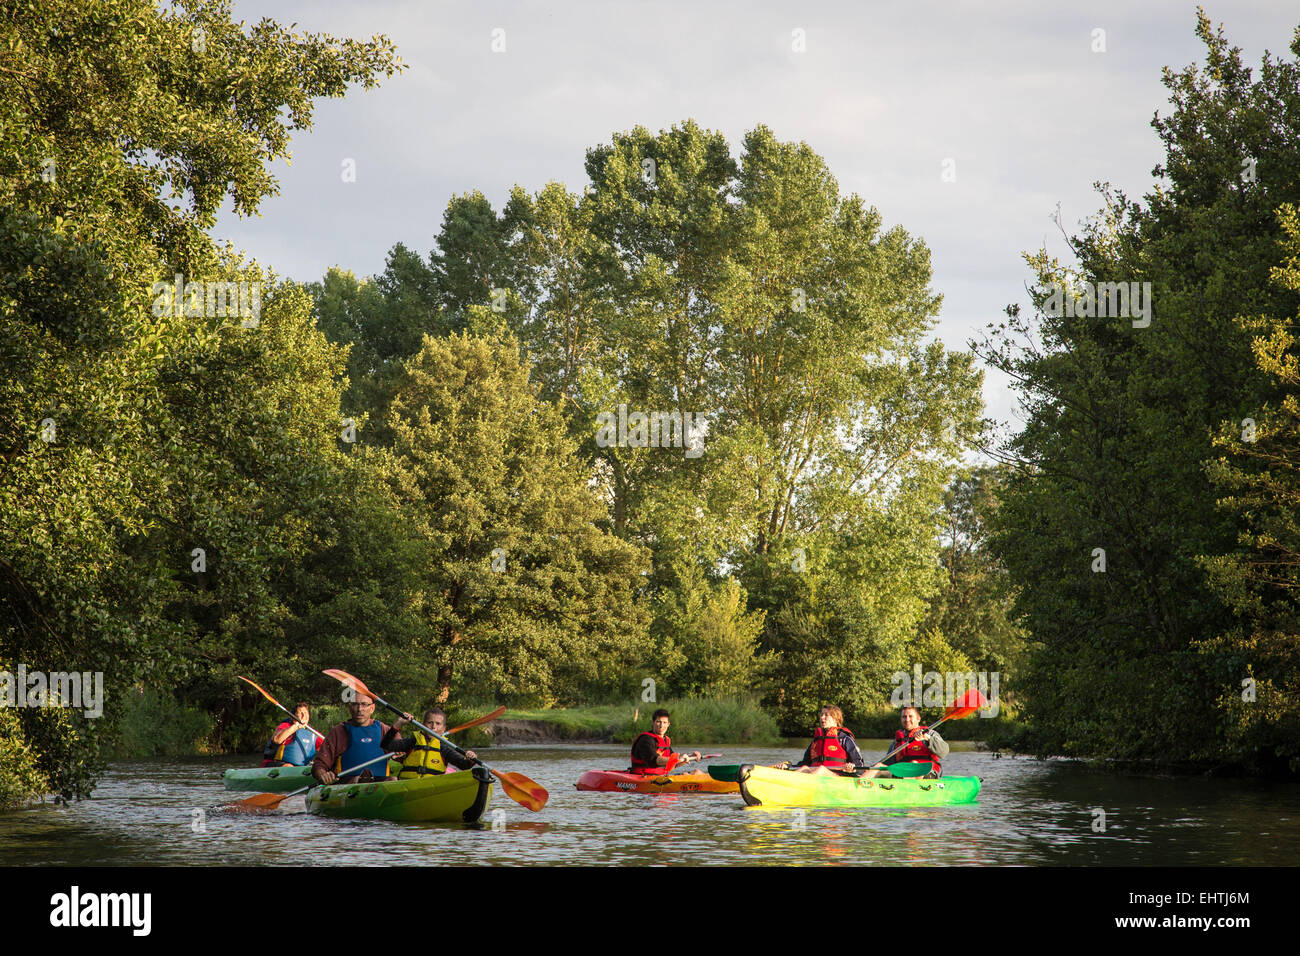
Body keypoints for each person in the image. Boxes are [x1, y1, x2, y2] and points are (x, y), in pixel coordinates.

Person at [311, 692, 416, 785]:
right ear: (350, 708)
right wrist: (323, 775)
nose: (359, 709)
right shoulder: (338, 732)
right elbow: (320, 764)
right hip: (348, 785)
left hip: (379, 784)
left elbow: (404, 757)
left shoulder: (384, 730)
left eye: (364, 704)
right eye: (355, 704)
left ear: (372, 708)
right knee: (357, 779)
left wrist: (401, 754)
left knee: (393, 779)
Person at [863, 704, 949, 778]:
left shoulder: (930, 733)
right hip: (902, 774)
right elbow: (887, 763)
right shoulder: (898, 740)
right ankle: (857, 786)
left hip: (926, 774)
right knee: (878, 767)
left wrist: (927, 738)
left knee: (914, 764)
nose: (907, 719)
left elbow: (945, 751)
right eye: (904, 717)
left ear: (918, 718)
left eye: (910, 716)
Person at [784, 704, 866, 775]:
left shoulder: (844, 738)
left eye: (826, 715)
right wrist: (789, 766)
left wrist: (853, 768)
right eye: (821, 715)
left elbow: (860, 765)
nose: (822, 717)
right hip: (817, 774)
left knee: (821, 769)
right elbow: (805, 763)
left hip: (838, 776)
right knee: (804, 768)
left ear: (835, 719)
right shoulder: (816, 740)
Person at [396, 708, 478, 778]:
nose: (433, 727)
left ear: (443, 729)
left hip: (432, 788)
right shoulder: (412, 742)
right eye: (430, 722)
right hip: (409, 786)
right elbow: (386, 744)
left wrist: (471, 759)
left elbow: (464, 765)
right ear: (423, 725)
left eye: (438, 724)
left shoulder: (443, 749)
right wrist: (399, 723)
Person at [628, 709, 701, 775]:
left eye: (664, 722)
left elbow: (673, 764)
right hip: (643, 777)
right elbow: (654, 760)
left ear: (668, 724)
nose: (661, 725)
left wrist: (690, 757)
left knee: (697, 772)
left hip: (661, 777)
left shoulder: (665, 740)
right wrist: (678, 758)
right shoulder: (645, 740)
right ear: (653, 722)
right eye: (658, 722)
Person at [260, 702, 324, 767]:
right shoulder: (285, 726)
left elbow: (327, 748)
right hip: (275, 764)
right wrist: (296, 726)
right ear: (293, 716)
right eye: (300, 713)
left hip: (300, 769)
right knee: (289, 766)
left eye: (305, 713)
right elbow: (276, 740)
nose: (304, 716)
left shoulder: (313, 734)